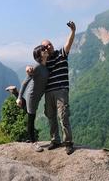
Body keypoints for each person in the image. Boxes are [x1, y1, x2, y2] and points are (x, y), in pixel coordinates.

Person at [26, 21, 76, 155]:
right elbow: (34, 69)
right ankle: (55, 140)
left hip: (61, 90)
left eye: (49, 44)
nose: (48, 47)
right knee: (51, 117)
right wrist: (28, 68)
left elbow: (68, 44)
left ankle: (68, 143)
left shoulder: (62, 54)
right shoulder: (45, 62)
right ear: (44, 50)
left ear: (52, 45)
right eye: (45, 47)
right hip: (48, 92)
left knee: (63, 116)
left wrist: (72, 31)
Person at [16, 45, 49, 152]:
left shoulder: (45, 66)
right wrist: (20, 97)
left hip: (38, 97)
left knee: (29, 112)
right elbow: (25, 82)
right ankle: (33, 142)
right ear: (39, 55)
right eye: (43, 50)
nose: (46, 50)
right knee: (31, 118)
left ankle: (14, 93)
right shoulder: (37, 67)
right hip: (31, 96)